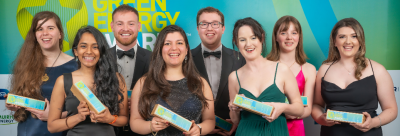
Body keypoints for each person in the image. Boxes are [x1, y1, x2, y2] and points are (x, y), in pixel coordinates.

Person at [312, 18, 398, 136]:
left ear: (361, 40)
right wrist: (320, 118)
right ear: (334, 41)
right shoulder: (324, 69)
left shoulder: (377, 70)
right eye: (342, 37)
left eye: (354, 36)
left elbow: (391, 109)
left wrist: (373, 122)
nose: (348, 41)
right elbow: (317, 105)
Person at [130, 25, 215, 136]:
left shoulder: (201, 83)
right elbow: (134, 122)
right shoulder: (143, 83)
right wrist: (151, 125)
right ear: (160, 49)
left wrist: (199, 128)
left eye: (179, 43)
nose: (174, 48)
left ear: (186, 49)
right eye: (167, 43)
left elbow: (210, 120)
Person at [5, 11, 77, 136]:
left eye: (50, 28)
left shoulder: (75, 66)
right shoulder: (25, 64)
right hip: (28, 131)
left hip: (61, 131)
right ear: (35, 35)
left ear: (60, 34)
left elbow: (83, 110)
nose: (45, 33)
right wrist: (14, 103)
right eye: (40, 29)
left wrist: (55, 115)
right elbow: (22, 97)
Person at [47, 26, 129, 136]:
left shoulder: (116, 79)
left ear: (101, 51)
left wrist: (109, 119)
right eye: (83, 46)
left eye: (95, 47)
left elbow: (124, 119)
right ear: (76, 51)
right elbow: (52, 126)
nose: (89, 51)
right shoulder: (63, 81)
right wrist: (78, 117)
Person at [228, 17, 304, 136]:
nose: (248, 44)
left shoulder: (281, 69)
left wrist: (282, 107)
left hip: (276, 131)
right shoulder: (234, 77)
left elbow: (299, 108)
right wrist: (234, 109)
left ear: (261, 38)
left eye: (253, 38)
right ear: (236, 42)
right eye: (242, 40)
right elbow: (236, 120)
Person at [191, 7, 245, 135]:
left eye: (215, 24)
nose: (210, 28)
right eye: (204, 24)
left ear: (223, 28)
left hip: (231, 131)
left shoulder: (240, 59)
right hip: (195, 131)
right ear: (198, 29)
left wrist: (237, 122)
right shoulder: (184, 59)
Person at [266, 15, 316, 136]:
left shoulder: (309, 69)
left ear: (299, 37)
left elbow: (308, 109)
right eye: (283, 33)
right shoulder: (265, 64)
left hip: (296, 129)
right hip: (269, 126)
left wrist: (289, 112)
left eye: (294, 33)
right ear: (276, 37)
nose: (289, 37)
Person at [108, 4, 152, 136]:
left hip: (144, 128)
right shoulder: (100, 58)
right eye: (120, 23)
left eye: (131, 24)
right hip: (109, 128)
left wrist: (140, 101)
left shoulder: (155, 58)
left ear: (138, 26)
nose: (125, 29)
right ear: (112, 26)